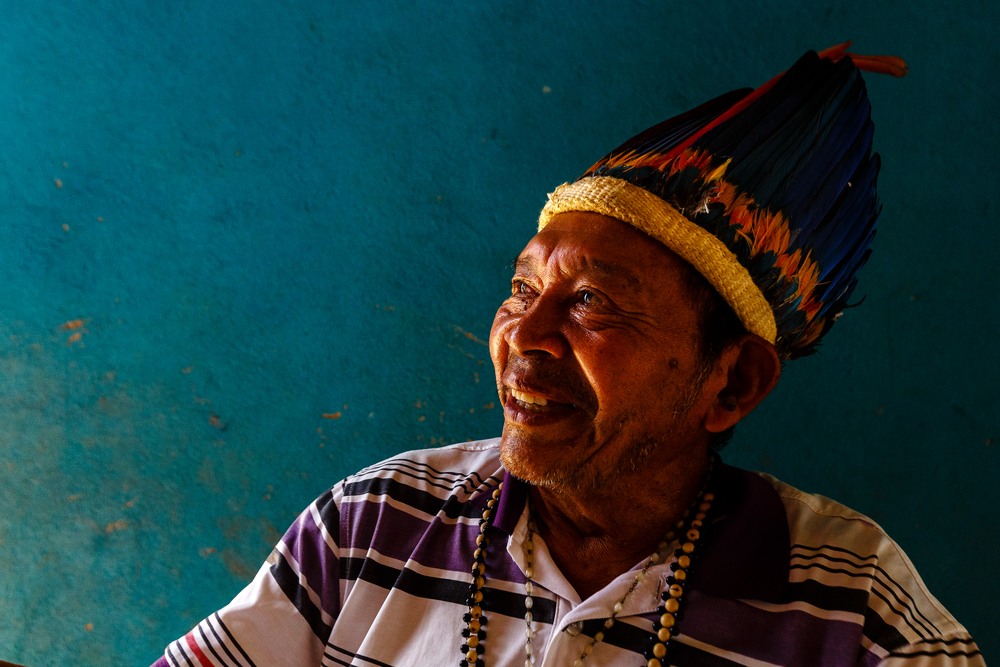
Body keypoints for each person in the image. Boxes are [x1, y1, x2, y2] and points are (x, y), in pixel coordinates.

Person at [152, 45, 984, 667]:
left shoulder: (855, 612)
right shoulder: (372, 525)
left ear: (730, 383)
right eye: (521, 288)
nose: (526, 334)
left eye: (591, 301)